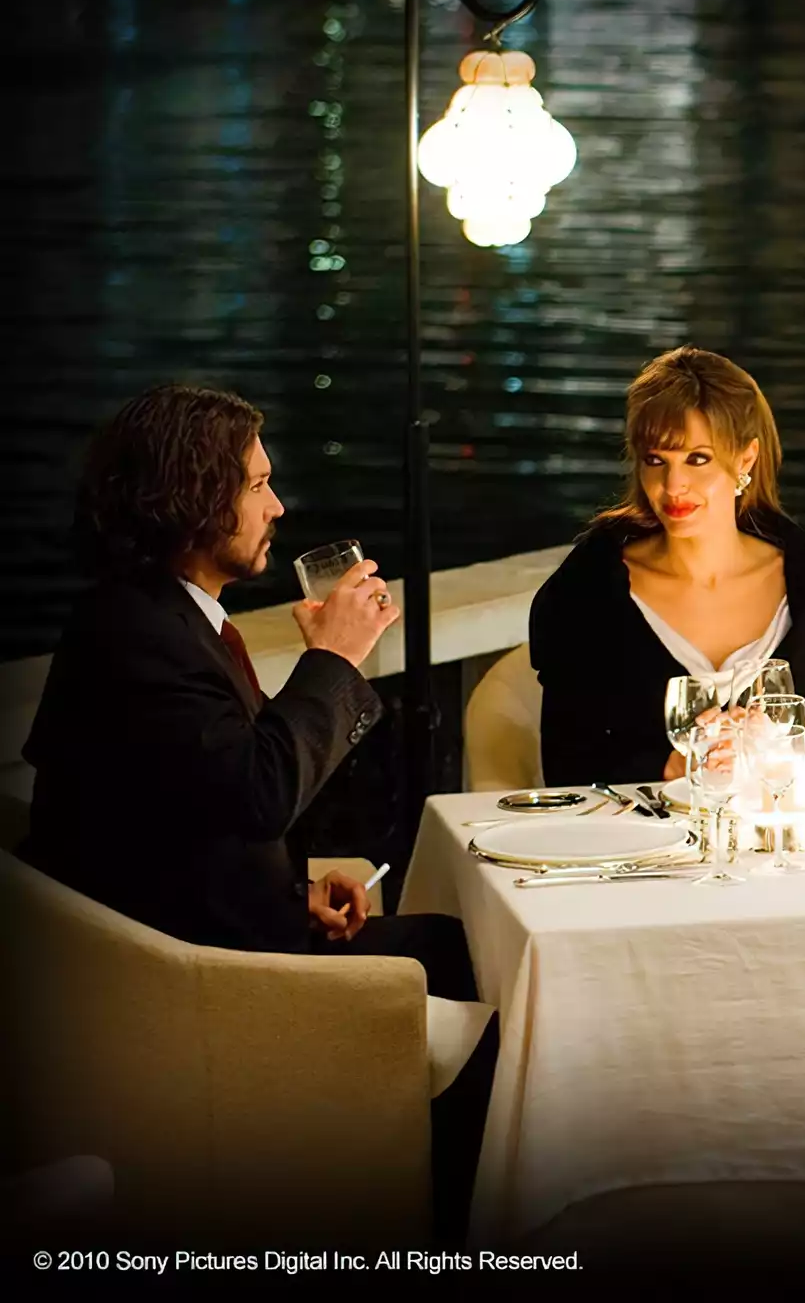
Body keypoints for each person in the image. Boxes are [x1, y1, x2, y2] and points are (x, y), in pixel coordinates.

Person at [19, 383, 493, 1242]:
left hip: (189, 934)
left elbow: (185, 813)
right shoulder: (141, 638)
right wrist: (336, 660)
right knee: (483, 984)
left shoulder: (157, 619)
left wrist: (292, 890)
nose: (277, 506)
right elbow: (257, 791)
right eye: (258, 485)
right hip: (196, 989)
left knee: (461, 945)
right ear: (195, 496)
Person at [531, 347, 805, 785]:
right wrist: (668, 768)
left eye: (697, 459)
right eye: (656, 460)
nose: (674, 485)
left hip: (789, 826)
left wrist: (781, 762)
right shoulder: (588, 592)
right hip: (634, 829)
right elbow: (566, 766)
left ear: (745, 459)